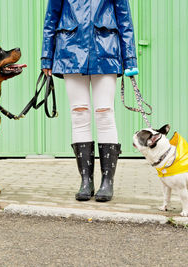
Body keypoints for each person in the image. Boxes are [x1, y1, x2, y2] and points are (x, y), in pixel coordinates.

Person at [41, 0, 137, 202]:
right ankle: (86, 180)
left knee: (104, 112)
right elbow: (51, 18)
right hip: (69, 52)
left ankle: (107, 181)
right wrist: (46, 58)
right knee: (79, 112)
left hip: (106, 51)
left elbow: (125, 21)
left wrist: (130, 60)